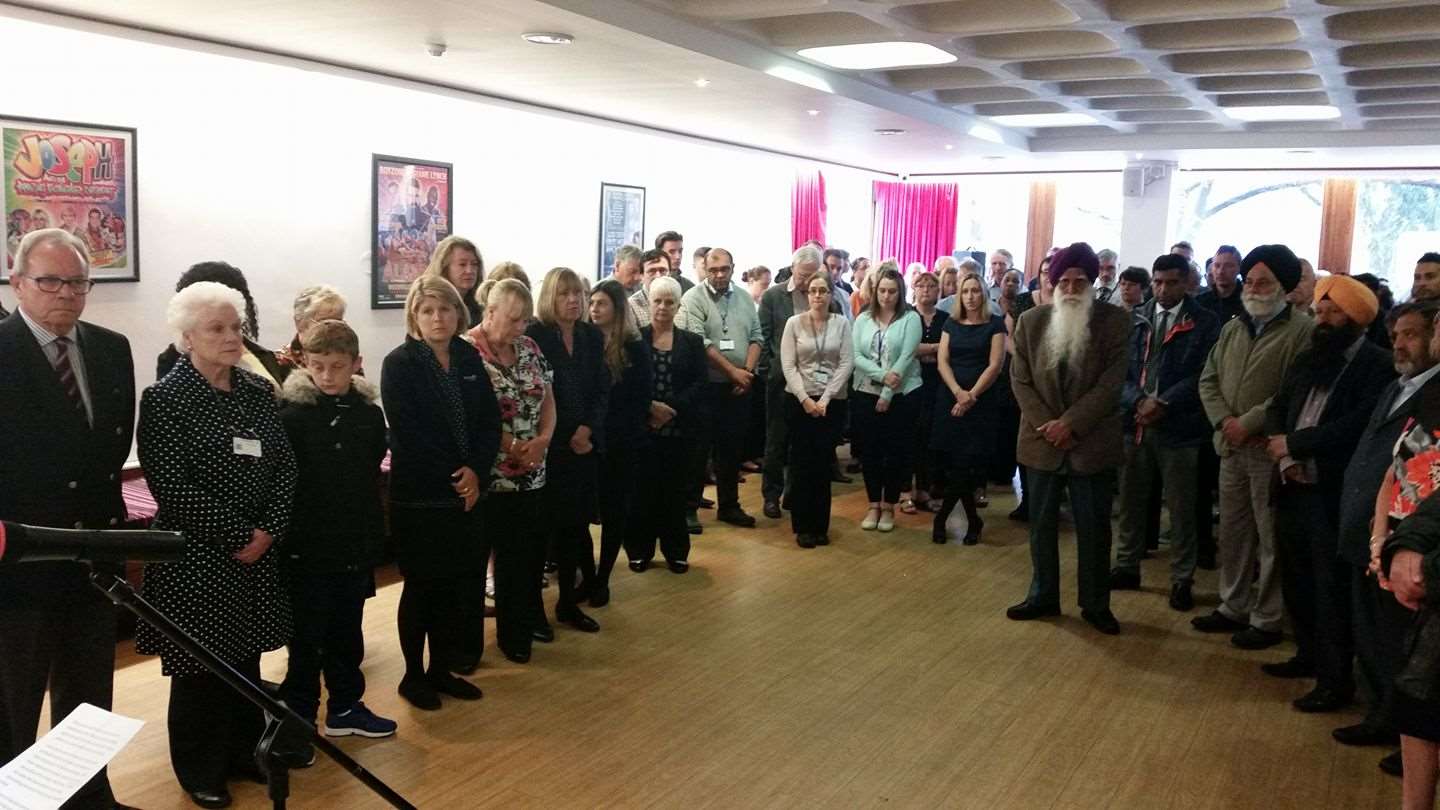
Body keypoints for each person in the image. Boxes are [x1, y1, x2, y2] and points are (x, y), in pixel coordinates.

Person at [138, 281, 298, 807]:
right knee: (199, 670)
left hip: (254, 555)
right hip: (197, 558)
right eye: (218, 329)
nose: (233, 338)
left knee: (247, 662)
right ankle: (199, 770)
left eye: (237, 327)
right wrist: (237, 534)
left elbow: (285, 467)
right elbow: (171, 486)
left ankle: (240, 754)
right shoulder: (164, 400)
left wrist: (267, 531)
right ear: (187, 338)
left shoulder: (256, 392)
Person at [0, 229, 134, 810]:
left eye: (78, 282)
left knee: (88, 690)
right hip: (20, 557)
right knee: (14, 700)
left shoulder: (110, 348)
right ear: (17, 282)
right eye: (49, 280)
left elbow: (109, 447)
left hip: (93, 550)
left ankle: (88, 798)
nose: (66, 293)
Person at [1264, 275, 1393, 713]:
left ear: (1356, 317)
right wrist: (1285, 455)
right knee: (1297, 578)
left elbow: (1357, 425)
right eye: (1319, 311)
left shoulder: (1377, 365)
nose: (1322, 319)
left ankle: (1335, 681)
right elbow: (1280, 407)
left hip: (1333, 491)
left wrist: (1298, 447)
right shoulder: (1308, 357)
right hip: (1291, 483)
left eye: (1333, 311)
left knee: (1330, 587)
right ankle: (1306, 655)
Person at [277, 319, 396, 749]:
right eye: (318, 366)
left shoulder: (369, 415)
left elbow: (369, 469)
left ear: (356, 365)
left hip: (353, 542)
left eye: (338, 366)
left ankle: (346, 707)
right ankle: (299, 717)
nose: (328, 376)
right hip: (306, 548)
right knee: (306, 638)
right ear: (304, 364)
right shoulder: (291, 417)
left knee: (348, 632)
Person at [1332, 301, 1440, 773]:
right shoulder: (1397, 388)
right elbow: (1390, 467)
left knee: (1405, 646)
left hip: (1419, 545)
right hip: (1380, 533)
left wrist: (1396, 541)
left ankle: (1408, 736)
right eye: (1396, 334)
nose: (1401, 344)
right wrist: (1377, 536)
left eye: (1414, 335)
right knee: (1374, 633)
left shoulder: (1433, 390)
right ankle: (1383, 716)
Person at [382, 276, 498, 705]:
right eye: (428, 310)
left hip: (467, 495)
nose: (437, 317)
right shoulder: (400, 364)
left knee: (456, 588)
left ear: (458, 314)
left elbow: (489, 421)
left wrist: (477, 472)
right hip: (421, 496)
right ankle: (413, 675)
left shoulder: (469, 356)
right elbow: (409, 433)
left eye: (445, 309)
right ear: (414, 315)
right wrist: (459, 475)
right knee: (422, 588)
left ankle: (441, 669)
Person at [1005, 242, 1129, 636]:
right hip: (1041, 442)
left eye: (1080, 282)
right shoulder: (1031, 322)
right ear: (1053, 285)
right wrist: (1049, 425)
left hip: (1090, 442)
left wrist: (1071, 423)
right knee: (1041, 526)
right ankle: (1042, 596)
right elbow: (1020, 381)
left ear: (1092, 284)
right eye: (1064, 282)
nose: (1072, 289)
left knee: (1094, 529)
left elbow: (1112, 384)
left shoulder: (1115, 322)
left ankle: (1095, 604)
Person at [1194, 244, 1314, 649]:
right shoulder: (1233, 327)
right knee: (1233, 531)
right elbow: (1208, 379)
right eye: (1253, 280)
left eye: (1266, 281)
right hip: (1230, 447)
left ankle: (1266, 618)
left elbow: (1290, 392)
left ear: (1284, 286)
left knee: (1269, 537)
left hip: (1266, 449)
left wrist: (1245, 423)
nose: (1256, 288)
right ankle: (1233, 606)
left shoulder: (1303, 331)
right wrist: (1224, 422)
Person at [1110, 254, 1221, 611]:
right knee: (1130, 500)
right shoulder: (1135, 317)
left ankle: (1181, 578)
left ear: (1187, 282)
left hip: (1180, 427)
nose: (1162, 289)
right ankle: (1127, 564)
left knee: (1181, 507)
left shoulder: (1204, 322)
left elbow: (1203, 373)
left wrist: (1164, 403)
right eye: (1157, 282)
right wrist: (1139, 401)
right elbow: (1120, 371)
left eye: (1170, 282)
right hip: (1136, 423)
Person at [469, 280, 554, 664]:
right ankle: (466, 644)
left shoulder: (530, 348)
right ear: (490, 313)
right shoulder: (467, 351)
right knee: (477, 562)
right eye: (514, 319)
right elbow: (472, 416)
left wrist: (543, 441)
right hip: (488, 475)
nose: (521, 327)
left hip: (532, 469)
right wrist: (513, 447)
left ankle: (516, 632)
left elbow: (549, 398)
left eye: (525, 320)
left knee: (521, 559)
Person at [526, 268, 610, 633]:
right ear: (550, 298)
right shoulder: (536, 336)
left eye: (578, 293)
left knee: (576, 526)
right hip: (550, 446)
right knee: (543, 529)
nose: (574, 300)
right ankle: (533, 611)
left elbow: (602, 387)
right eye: (565, 294)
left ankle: (567, 603)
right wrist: (562, 434)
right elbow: (535, 393)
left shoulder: (591, 335)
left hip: (584, 443)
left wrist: (588, 429)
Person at [679, 247, 763, 528]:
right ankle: (689, 508)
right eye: (713, 270)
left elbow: (756, 336)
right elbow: (700, 343)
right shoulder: (692, 299)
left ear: (732, 268)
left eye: (724, 269)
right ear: (704, 268)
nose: (718, 275)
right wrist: (733, 372)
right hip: (706, 388)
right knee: (697, 451)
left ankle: (729, 506)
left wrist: (747, 373)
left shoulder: (743, 298)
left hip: (738, 388)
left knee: (731, 450)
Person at [758, 246, 843, 519]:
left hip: (817, 384)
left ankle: (795, 495)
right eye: (803, 275)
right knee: (776, 440)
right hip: (782, 380)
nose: (808, 282)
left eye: (812, 275)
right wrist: (777, 368)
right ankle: (771, 495)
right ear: (792, 268)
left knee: (804, 445)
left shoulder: (830, 299)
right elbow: (765, 337)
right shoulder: (774, 296)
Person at [629, 276, 708, 570]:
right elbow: (629, 385)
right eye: (657, 301)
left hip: (679, 428)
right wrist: (651, 409)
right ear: (649, 303)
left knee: (674, 494)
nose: (662, 307)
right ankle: (640, 551)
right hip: (643, 428)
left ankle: (676, 552)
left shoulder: (693, 342)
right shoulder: (635, 340)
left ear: (678, 306)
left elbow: (699, 384)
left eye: (669, 302)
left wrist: (669, 409)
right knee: (642, 493)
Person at [931, 270, 1006, 544]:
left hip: (981, 401)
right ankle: (972, 520)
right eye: (965, 291)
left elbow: (995, 365)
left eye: (975, 291)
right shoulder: (951, 323)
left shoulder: (995, 324)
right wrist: (957, 393)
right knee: (954, 464)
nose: (970, 297)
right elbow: (942, 361)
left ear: (983, 294)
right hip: (950, 398)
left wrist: (971, 395)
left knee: (966, 463)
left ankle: (943, 519)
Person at [780, 271, 854, 548]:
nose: (818, 295)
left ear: (831, 294)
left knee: (823, 465)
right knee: (801, 465)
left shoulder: (841, 323)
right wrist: (805, 398)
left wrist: (824, 399)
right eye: (813, 291)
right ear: (806, 294)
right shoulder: (794, 323)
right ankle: (802, 526)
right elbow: (788, 365)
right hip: (799, 402)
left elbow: (846, 362)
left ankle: (820, 525)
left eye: (823, 290)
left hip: (831, 404)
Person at [588, 279, 651, 603]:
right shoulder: (584, 341)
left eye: (601, 303)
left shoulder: (634, 347)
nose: (594, 309)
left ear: (616, 308)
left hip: (621, 441)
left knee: (615, 512)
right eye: (592, 302)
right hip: (589, 441)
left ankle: (603, 577)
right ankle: (587, 574)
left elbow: (641, 398)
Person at [851, 265, 922, 533]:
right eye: (882, 290)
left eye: (892, 291)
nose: (886, 296)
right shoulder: (863, 319)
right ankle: (873, 504)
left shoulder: (910, 318)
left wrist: (888, 393)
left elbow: (906, 357)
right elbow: (856, 356)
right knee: (870, 452)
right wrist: (882, 377)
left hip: (902, 394)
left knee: (894, 452)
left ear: (900, 292)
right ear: (875, 291)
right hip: (866, 392)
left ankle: (889, 505)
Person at [156, 261, 288, 385]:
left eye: (235, 327)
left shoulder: (262, 354)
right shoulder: (173, 359)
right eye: (216, 328)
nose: (230, 336)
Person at [906, 270, 949, 514]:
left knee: (931, 439)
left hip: (938, 384)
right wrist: (934, 347)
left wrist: (927, 350)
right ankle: (907, 490)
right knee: (912, 436)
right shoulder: (908, 315)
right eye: (921, 286)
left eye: (931, 286)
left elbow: (950, 348)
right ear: (914, 289)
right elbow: (908, 348)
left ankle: (927, 488)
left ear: (938, 291)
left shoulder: (945, 317)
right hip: (911, 381)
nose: (925, 290)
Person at [277, 284, 346, 372]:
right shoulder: (279, 363)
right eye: (325, 322)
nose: (333, 329)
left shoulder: (347, 357)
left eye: (338, 322)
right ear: (299, 322)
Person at [425, 235, 485, 326]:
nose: (470, 270)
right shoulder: (428, 302)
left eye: (474, 264)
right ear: (444, 267)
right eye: (462, 264)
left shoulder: (480, 305)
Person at [1196, 244, 1245, 324]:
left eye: (1228, 266)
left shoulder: (1248, 302)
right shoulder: (1200, 302)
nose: (1220, 271)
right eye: (1217, 265)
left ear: (1239, 268)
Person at [627, 248, 673, 330]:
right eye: (652, 271)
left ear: (670, 274)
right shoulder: (630, 306)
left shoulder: (680, 302)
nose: (658, 276)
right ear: (641, 276)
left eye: (663, 270)